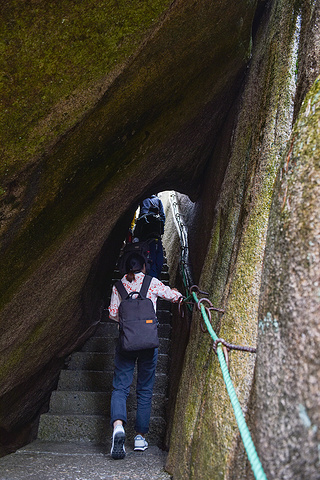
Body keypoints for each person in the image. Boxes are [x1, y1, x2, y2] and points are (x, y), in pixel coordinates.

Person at [108, 252, 183, 459]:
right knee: (145, 389)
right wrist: (176, 292)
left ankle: (118, 427)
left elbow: (113, 314)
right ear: (143, 267)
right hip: (149, 343)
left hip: (126, 343)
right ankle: (140, 437)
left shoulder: (118, 286)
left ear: (125, 268)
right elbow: (174, 297)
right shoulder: (152, 282)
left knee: (120, 387)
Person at [134, 194, 166, 279]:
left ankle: (148, 278)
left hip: (145, 241)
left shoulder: (143, 217)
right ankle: (155, 279)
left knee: (148, 260)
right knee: (158, 261)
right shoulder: (158, 218)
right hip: (156, 240)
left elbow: (137, 232)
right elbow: (163, 219)